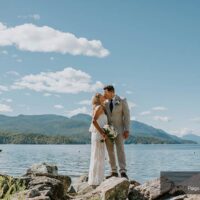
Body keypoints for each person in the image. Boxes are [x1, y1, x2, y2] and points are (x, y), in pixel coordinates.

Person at [103, 85, 130, 179]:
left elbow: (126, 115)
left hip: (120, 129)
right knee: (110, 151)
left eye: (105, 92)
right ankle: (113, 171)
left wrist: (127, 129)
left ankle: (123, 171)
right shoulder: (105, 102)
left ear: (111, 92)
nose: (104, 94)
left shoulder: (122, 100)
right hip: (108, 130)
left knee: (120, 150)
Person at [88, 93, 107, 186]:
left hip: (97, 134)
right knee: (99, 157)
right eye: (101, 96)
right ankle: (97, 181)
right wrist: (102, 132)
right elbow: (94, 121)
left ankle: (96, 179)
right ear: (98, 98)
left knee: (97, 156)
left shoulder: (97, 107)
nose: (104, 96)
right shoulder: (99, 107)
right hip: (99, 134)